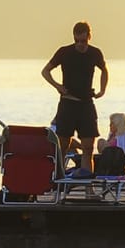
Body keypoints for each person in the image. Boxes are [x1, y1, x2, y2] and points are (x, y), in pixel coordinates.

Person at [41, 22, 108, 174]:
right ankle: (57, 179)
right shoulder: (64, 52)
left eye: (83, 41)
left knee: (88, 146)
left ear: (89, 37)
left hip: (86, 104)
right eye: (77, 41)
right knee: (63, 145)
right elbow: (45, 71)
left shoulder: (95, 53)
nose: (80, 44)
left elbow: (104, 70)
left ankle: (87, 185)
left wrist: (103, 89)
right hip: (68, 103)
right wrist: (57, 85)